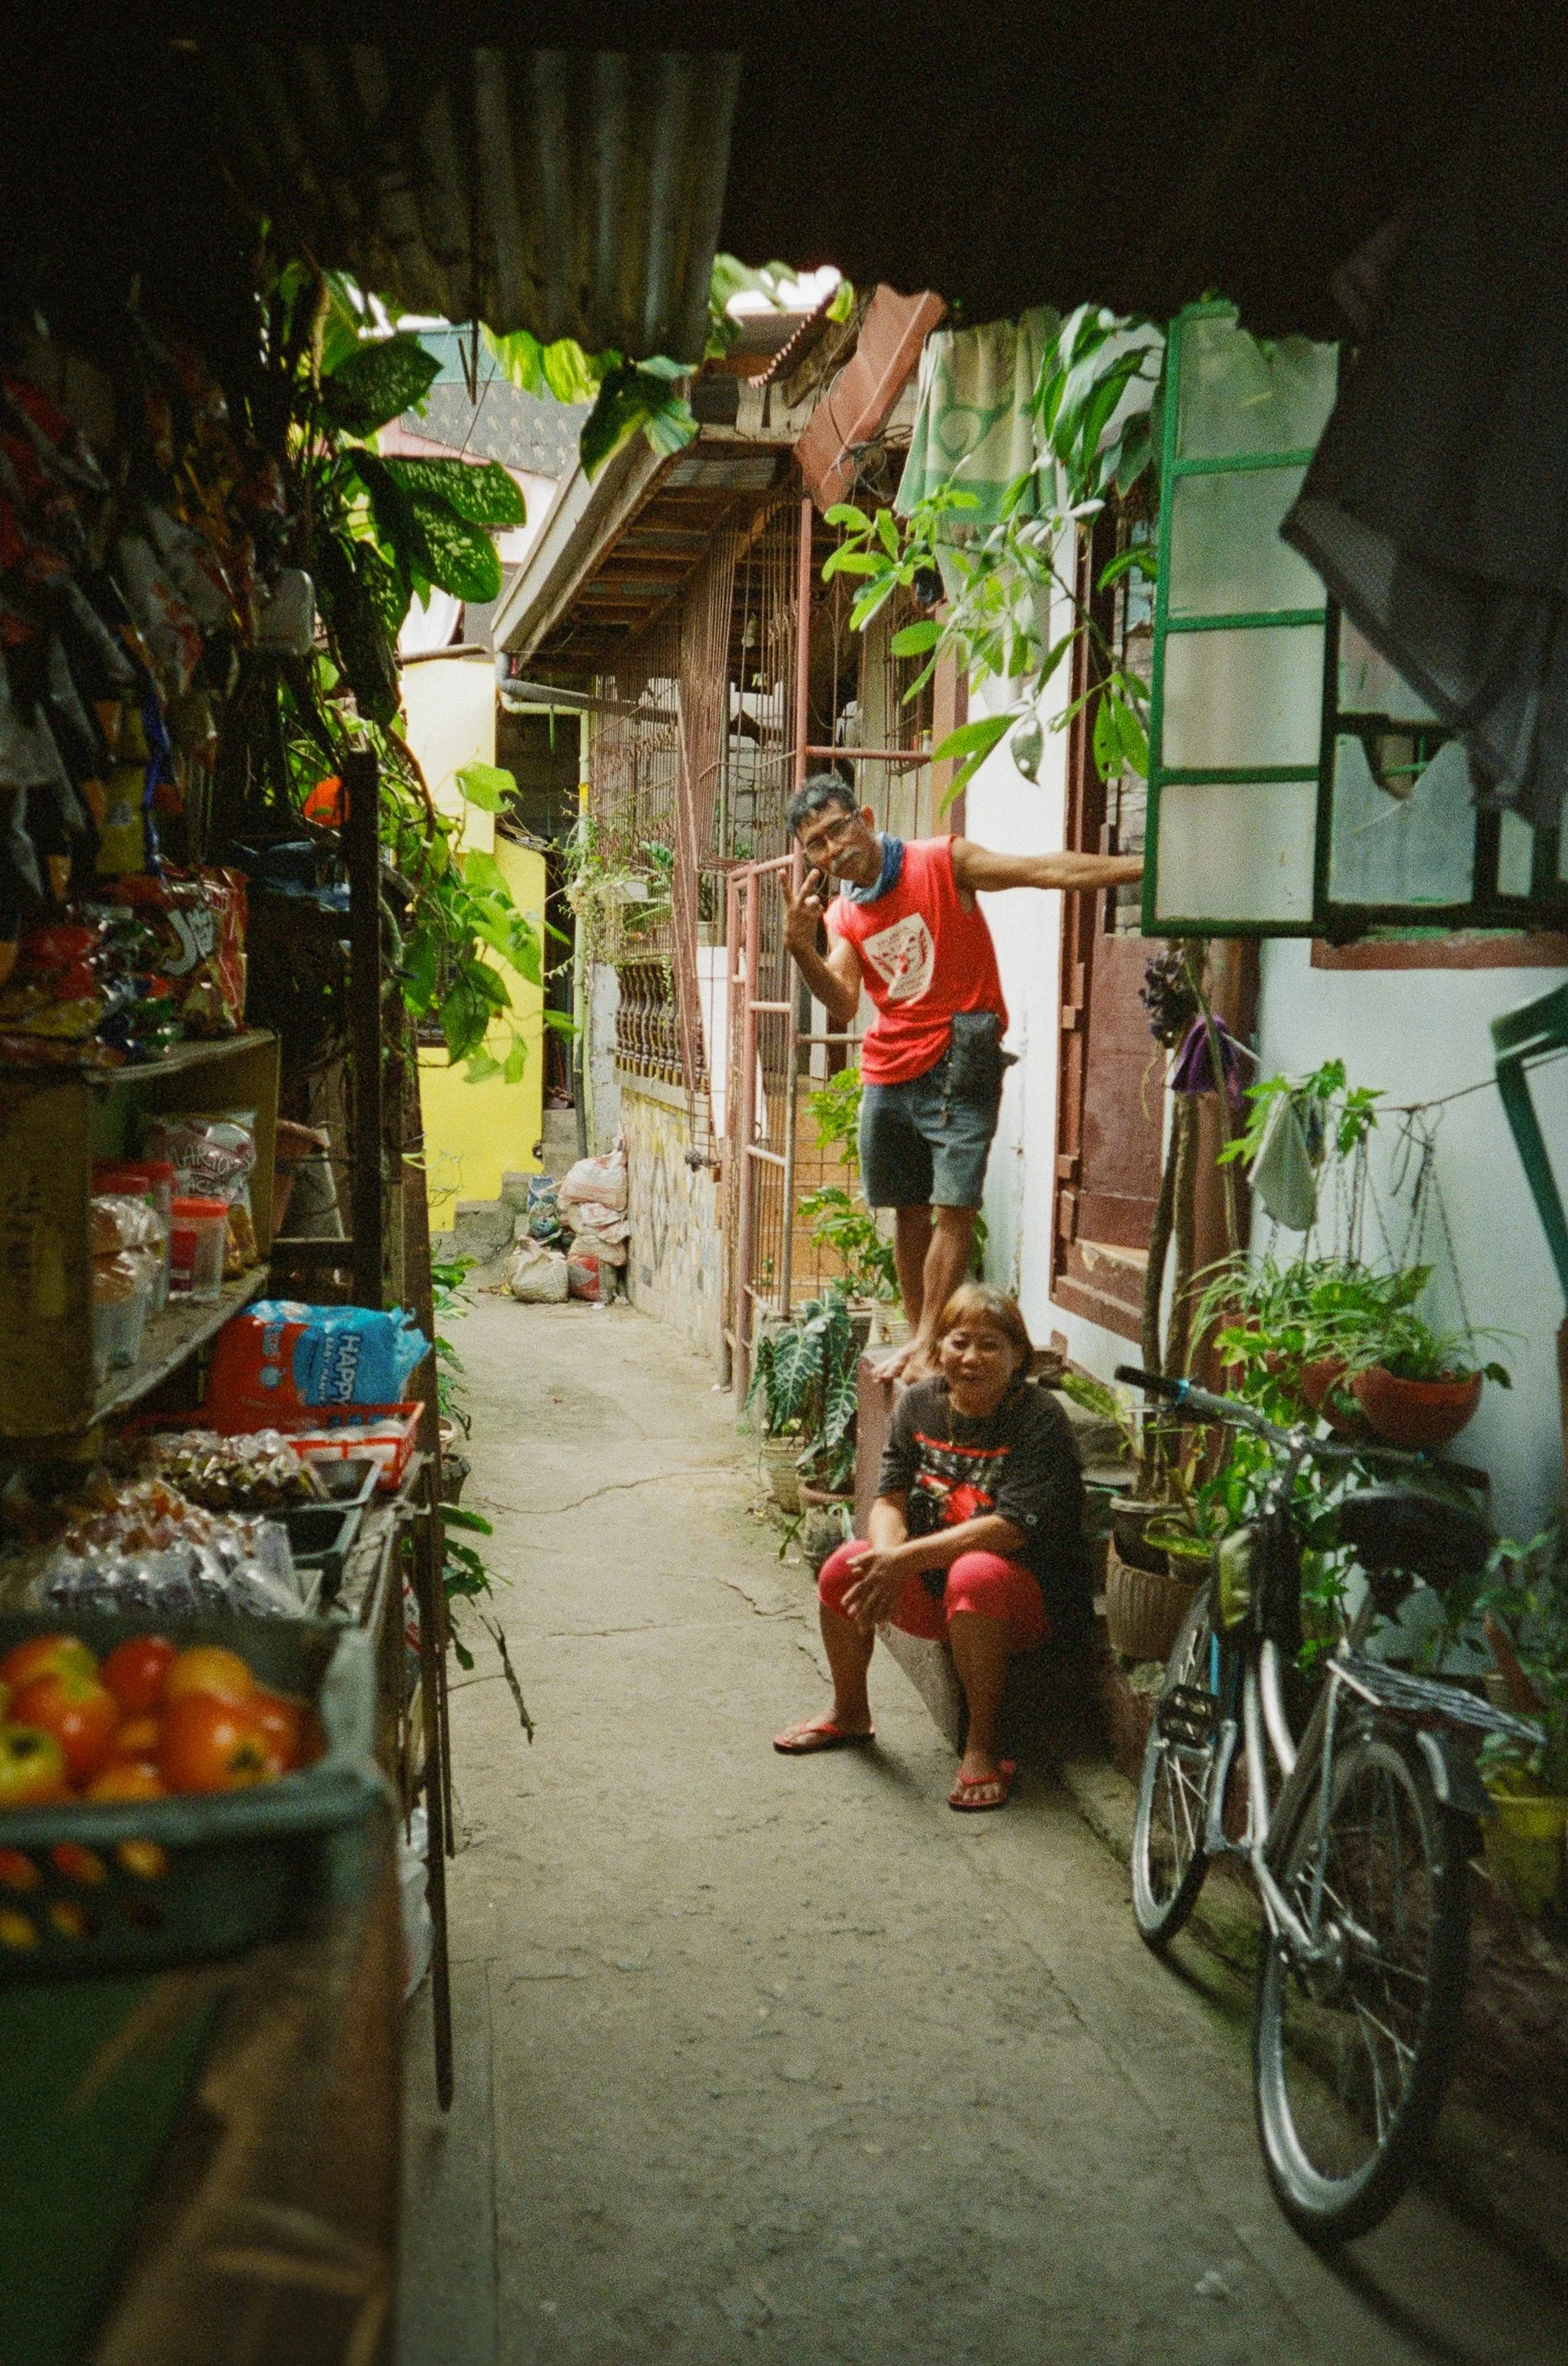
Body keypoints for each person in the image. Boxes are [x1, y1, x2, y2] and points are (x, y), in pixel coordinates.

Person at [782, 773, 1141, 1378]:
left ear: (865, 817)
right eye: (815, 843)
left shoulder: (942, 861)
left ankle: (928, 1345)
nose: (833, 848)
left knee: (955, 1208)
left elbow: (1044, 870)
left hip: (961, 1058)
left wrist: (1143, 869)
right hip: (887, 1071)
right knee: (907, 1209)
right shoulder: (844, 913)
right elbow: (844, 1003)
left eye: (838, 828)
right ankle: (922, 1341)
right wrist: (800, 949)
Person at [773, 1285, 1093, 1811]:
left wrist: (903, 1560)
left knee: (975, 1573)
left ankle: (983, 1747)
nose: (971, 1358)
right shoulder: (919, 1405)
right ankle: (849, 1713)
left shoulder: (1040, 1420)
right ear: (938, 1348)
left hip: (1022, 1604)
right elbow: (889, 1499)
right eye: (959, 1342)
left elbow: (1007, 1530)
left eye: (990, 1346)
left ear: (1018, 1358)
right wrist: (882, 1559)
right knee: (842, 1569)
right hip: (933, 1589)